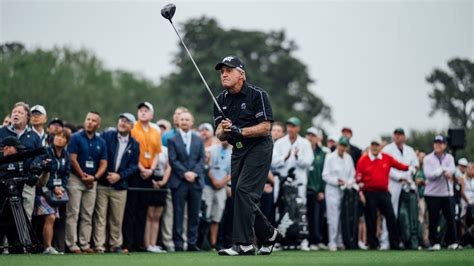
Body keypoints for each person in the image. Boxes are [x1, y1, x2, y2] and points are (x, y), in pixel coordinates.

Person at [213, 55, 280, 256]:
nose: (224, 74)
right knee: (240, 196)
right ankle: (269, 234)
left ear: (241, 74)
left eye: (228, 70)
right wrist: (225, 130)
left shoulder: (257, 95)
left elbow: (266, 127)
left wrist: (239, 130)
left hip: (259, 147)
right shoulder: (220, 99)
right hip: (239, 149)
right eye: (222, 71)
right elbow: (218, 134)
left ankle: (243, 244)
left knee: (243, 191)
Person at [93, 113, 139, 253]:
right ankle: (99, 246)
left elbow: (133, 166)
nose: (122, 123)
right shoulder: (107, 136)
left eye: (126, 121)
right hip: (103, 183)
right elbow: (99, 156)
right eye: (121, 120)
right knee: (100, 217)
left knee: (116, 219)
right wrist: (106, 174)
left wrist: (119, 176)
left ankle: (115, 245)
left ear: (132, 126)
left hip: (120, 186)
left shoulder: (134, 144)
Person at [356, 137, 413, 250]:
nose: (375, 147)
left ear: (380, 147)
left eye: (377, 145)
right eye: (373, 145)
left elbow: (399, 165)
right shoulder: (363, 160)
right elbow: (358, 178)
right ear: (370, 146)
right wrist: (361, 193)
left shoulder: (386, 158)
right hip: (369, 192)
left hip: (383, 192)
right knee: (371, 218)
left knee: (391, 217)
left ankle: (394, 243)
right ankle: (373, 244)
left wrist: (409, 168)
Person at [65, 112, 107, 253]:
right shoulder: (76, 137)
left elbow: (103, 163)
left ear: (98, 124)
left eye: (93, 120)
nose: (89, 122)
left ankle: (84, 244)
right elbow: (72, 158)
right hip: (76, 178)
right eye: (88, 119)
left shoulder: (101, 141)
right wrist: (83, 176)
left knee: (87, 214)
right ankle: (72, 244)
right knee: (73, 213)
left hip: (92, 180)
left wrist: (94, 178)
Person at [124, 102, 162, 252]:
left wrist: (151, 169)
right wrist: (141, 168)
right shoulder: (133, 128)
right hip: (136, 172)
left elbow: (157, 153)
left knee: (143, 210)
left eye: (146, 111)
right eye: (140, 110)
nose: (143, 113)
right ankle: (128, 243)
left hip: (148, 173)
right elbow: (133, 151)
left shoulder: (155, 131)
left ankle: (140, 243)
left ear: (152, 114)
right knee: (131, 209)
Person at [168, 111, 205, 251]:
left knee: (194, 214)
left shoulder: (199, 139)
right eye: (182, 119)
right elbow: (172, 159)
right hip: (179, 182)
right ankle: (178, 244)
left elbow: (202, 159)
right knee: (178, 214)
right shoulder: (172, 139)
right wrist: (185, 173)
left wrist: (194, 173)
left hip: (195, 182)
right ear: (178, 121)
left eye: (187, 119)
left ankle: (192, 243)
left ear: (192, 122)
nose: (184, 121)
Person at [0, 102, 42, 221]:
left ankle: (24, 240)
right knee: (3, 217)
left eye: (20, 112)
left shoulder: (34, 136)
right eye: (14, 112)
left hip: (26, 180)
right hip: (4, 180)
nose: (16, 114)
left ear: (27, 117)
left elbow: (41, 155)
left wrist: (35, 164)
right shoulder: (2, 132)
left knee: (25, 215)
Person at [379, 128, 419, 250]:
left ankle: (407, 240)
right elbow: (386, 167)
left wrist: (409, 175)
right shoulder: (387, 149)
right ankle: (386, 241)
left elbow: (415, 165)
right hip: (393, 183)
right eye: (396, 134)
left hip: (408, 184)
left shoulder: (410, 150)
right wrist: (400, 177)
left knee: (408, 214)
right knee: (391, 213)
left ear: (404, 137)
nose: (398, 137)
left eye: (400, 134)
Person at [34, 130, 71, 254]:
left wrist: (61, 187)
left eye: (63, 137)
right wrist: (53, 187)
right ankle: (47, 247)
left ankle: (50, 247)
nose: (59, 139)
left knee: (53, 219)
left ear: (67, 141)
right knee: (51, 217)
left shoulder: (66, 155)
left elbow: (66, 173)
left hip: (57, 192)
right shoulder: (46, 152)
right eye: (57, 136)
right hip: (43, 190)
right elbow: (44, 173)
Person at [0, 136, 39, 253]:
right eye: (16, 149)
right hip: (1, 210)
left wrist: (44, 171)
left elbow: (36, 181)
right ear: (6, 148)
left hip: (15, 213)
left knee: (18, 250)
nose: (18, 152)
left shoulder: (21, 164)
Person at [423, 135, 459, 250]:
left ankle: (452, 241)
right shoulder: (427, 158)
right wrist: (441, 171)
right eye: (436, 143)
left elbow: (452, 169)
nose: (438, 145)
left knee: (450, 218)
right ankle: (434, 242)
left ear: (445, 145)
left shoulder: (449, 158)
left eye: (440, 143)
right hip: (432, 194)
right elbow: (429, 175)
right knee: (433, 219)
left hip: (447, 193)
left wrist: (448, 172)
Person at [322, 137, 355, 251]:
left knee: (343, 217)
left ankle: (340, 241)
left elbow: (352, 175)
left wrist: (349, 183)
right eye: (341, 145)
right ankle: (332, 242)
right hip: (332, 191)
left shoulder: (349, 158)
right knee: (333, 217)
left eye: (344, 146)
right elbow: (325, 175)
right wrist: (337, 181)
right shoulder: (329, 157)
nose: (342, 148)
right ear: (338, 145)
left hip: (345, 191)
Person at [203, 140, 232, 250]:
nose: (225, 139)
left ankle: (213, 244)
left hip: (222, 187)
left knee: (217, 216)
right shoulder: (210, 150)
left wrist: (222, 183)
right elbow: (207, 168)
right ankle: (202, 242)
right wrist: (214, 181)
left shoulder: (233, 152)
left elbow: (232, 172)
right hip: (208, 185)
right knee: (206, 214)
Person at [305, 127, 329, 251]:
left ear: (317, 137)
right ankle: (308, 241)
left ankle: (317, 240)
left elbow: (324, 173)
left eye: (313, 135)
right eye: (308, 135)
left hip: (316, 190)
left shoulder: (322, 153)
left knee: (318, 217)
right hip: (304, 189)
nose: (310, 137)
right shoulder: (303, 149)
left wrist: (322, 190)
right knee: (306, 217)